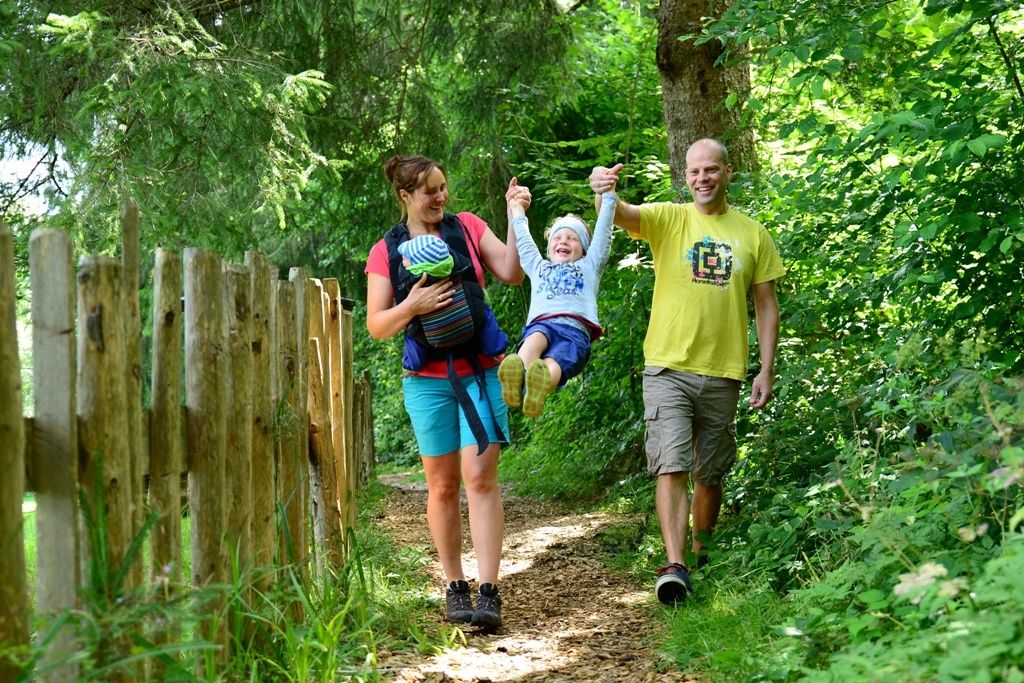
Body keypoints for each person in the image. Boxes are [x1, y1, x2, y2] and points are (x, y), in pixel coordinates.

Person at [589, 138, 784, 605]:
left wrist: (767, 369)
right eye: (695, 171)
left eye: (711, 170)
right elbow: (621, 215)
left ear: (727, 173)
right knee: (671, 464)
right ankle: (674, 566)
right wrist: (603, 190)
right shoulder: (670, 218)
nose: (702, 178)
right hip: (667, 366)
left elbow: (766, 305)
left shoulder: (753, 234)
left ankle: (700, 557)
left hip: (724, 372)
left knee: (710, 474)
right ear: (686, 175)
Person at [365, 155, 527, 631]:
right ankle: (455, 586)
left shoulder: (470, 228)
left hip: (481, 371)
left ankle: (489, 591)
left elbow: (513, 272)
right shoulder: (386, 251)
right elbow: (377, 324)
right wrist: (411, 304)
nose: (440, 197)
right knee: (442, 485)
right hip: (426, 382)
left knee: (480, 479)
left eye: (442, 188)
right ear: (405, 197)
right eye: (429, 191)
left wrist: (515, 214)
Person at [498, 182, 619, 418]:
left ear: (584, 250)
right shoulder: (538, 265)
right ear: (549, 248)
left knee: (557, 361)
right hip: (542, 324)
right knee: (534, 339)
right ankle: (517, 375)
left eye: (572, 238)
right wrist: (517, 210)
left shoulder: (589, 265)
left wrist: (609, 198)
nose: (563, 241)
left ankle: (538, 384)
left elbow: (604, 234)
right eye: (558, 237)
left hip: (575, 330)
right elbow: (523, 240)